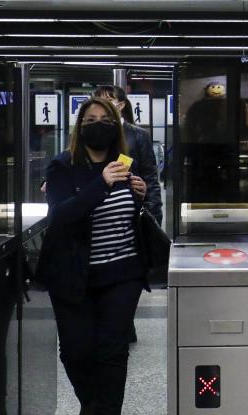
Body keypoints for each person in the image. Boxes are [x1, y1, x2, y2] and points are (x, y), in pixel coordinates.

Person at [36, 97, 148, 415]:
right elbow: (61, 215)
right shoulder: (62, 166)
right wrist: (101, 184)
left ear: (115, 127)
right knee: (75, 350)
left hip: (122, 272)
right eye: (90, 119)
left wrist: (140, 199)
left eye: (104, 119)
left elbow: (139, 214)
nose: (97, 124)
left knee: (112, 353)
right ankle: (89, 401)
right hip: (72, 275)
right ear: (79, 126)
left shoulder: (126, 163)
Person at [94, 85, 163, 343]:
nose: (102, 105)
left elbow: (150, 176)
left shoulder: (137, 136)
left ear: (121, 104)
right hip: (99, 213)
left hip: (131, 213)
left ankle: (123, 321)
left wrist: (153, 213)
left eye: (108, 100)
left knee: (129, 269)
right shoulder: (88, 135)